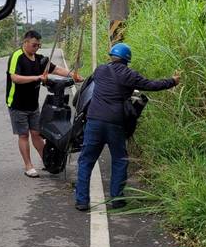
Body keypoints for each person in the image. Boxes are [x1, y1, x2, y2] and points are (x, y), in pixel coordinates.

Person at [75, 43, 180, 210]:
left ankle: (82, 201)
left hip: (94, 120)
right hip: (115, 123)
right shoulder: (130, 75)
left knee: (86, 160)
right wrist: (172, 81)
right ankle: (116, 199)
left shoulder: (100, 70)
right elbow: (151, 85)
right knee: (119, 160)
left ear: (111, 57)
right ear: (127, 60)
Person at [6, 29, 81, 177]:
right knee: (23, 135)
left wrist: (74, 75)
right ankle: (28, 166)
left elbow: (56, 69)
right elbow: (14, 77)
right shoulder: (17, 56)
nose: (36, 48)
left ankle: (47, 162)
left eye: (38, 46)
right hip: (17, 103)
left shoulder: (40, 59)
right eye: (34, 45)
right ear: (25, 42)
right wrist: (37, 78)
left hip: (33, 104)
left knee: (37, 133)